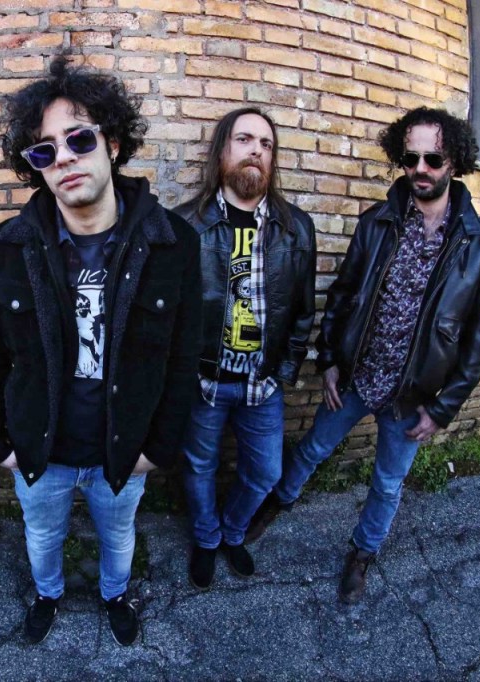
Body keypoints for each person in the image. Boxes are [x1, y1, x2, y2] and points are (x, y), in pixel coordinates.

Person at [0, 55, 201, 646]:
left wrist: (159, 447)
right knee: (43, 536)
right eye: (44, 151)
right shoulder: (7, 247)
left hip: (123, 447)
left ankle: (114, 594)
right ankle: (47, 595)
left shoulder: (172, 242)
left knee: (118, 536)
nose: (64, 158)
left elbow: (184, 356)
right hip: (39, 448)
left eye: (78, 139)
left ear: (112, 144)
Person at [246, 107, 480, 604]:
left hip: (413, 396)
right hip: (357, 377)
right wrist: (330, 360)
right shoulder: (377, 223)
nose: (421, 169)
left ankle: (363, 554)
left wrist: (443, 408)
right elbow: (344, 294)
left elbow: (479, 341)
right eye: (411, 158)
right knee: (313, 448)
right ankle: (278, 502)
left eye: (433, 158)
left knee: (387, 484)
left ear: (454, 161)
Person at [174, 108, 316, 589]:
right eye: (245, 139)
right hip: (205, 383)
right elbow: (169, 313)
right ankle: (206, 538)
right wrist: (182, 375)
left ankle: (233, 531)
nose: (256, 150)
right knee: (199, 468)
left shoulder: (297, 228)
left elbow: (302, 311)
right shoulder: (185, 225)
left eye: (266, 144)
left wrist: (283, 372)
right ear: (222, 151)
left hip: (262, 385)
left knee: (265, 473)